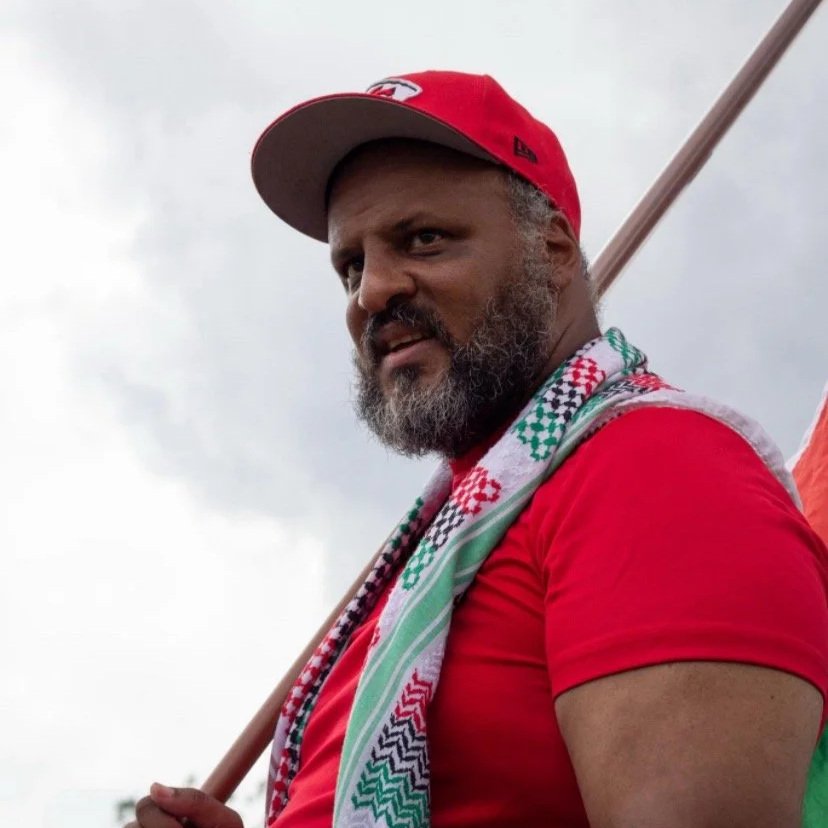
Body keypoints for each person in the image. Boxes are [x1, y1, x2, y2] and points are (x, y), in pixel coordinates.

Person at [129, 71, 828, 828]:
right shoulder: (426, 570)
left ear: (554, 250)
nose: (371, 292)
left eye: (423, 239)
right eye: (351, 265)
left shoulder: (654, 467)